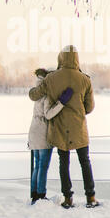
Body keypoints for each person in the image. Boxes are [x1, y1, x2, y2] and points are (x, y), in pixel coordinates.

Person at [29, 46, 99, 209]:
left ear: (60, 58)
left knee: (64, 162)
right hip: (79, 127)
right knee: (85, 161)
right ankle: (90, 196)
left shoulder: (51, 78)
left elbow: (34, 95)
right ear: (76, 59)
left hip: (59, 128)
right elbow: (89, 107)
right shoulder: (85, 79)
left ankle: (68, 198)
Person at [28, 68, 73, 204]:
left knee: (37, 164)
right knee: (43, 165)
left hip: (33, 129)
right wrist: (61, 103)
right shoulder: (46, 93)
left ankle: (34, 193)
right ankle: (41, 194)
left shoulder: (36, 91)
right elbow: (48, 114)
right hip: (43, 131)